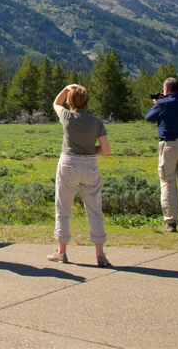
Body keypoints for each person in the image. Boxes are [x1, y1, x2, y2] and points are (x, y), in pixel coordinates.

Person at [48, 84, 112, 267]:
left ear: (71, 101)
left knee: (63, 208)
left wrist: (66, 89)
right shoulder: (97, 122)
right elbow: (106, 150)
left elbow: (56, 103)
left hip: (68, 162)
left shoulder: (67, 116)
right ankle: (100, 254)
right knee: (95, 210)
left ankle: (61, 252)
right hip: (90, 164)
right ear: (87, 101)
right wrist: (92, 149)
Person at [145, 77, 178, 234]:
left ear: (165, 89)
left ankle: (171, 223)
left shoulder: (162, 103)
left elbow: (149, 117)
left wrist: (157, 103)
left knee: (168, 182)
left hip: (168, 146)